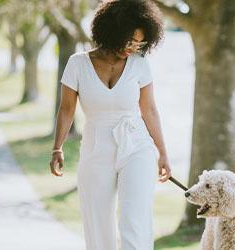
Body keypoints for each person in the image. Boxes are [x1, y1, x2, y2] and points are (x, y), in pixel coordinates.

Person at [48, 1, 170, 249]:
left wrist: (163, 152)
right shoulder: (77, 64)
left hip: (137, 147)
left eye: (140, 43)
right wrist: (57, 148)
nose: (134, 47)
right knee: (97, 222)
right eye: (130, 40)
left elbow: (149, 109)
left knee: (134, 221)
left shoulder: (139, 65)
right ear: (114, 30)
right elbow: (66, 109)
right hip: (96, 148)